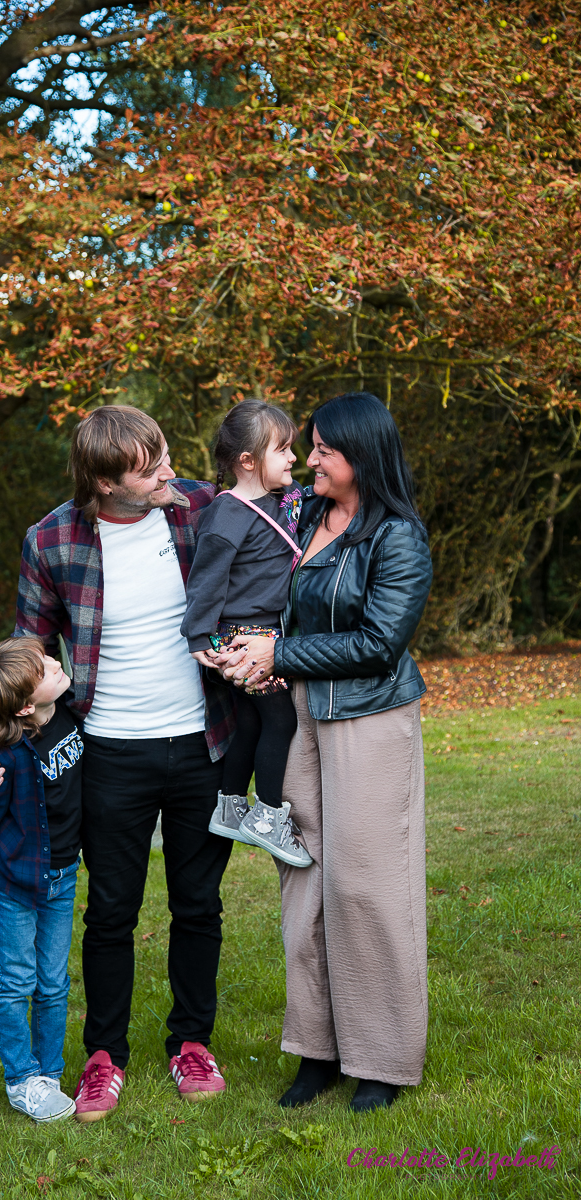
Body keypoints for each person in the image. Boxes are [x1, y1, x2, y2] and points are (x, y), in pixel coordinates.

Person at [0, 405, 236, 1122]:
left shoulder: (203, 509)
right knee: (112, 909)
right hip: (109, 752)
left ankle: (191, 1043)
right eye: (151, 469)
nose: (169, 474)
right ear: (105, 481)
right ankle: (103, 1055)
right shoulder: (51, 540)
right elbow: (22, 664)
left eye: (166, 456)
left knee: (198, 903)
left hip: (204, 742)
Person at [219, 391, 432, 1114]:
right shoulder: (308, 515)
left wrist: (283, 651)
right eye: (308, 448)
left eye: (322, 451)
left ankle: (384, 1058)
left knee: (366, 888)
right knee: (303, 882)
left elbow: (378, 645)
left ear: (359, 459)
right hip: (301, 718)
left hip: (370, 722)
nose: (309, 459)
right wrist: (266, 659)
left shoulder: (398, 538)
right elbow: (293, 611)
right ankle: (318, 1052)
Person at [0, 637, 83, 1123]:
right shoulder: (7, 759)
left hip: (62, 880)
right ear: (28, 704)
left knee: (53, 981)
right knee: (16, 981)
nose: (57, 663)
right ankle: (20, 1080)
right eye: (48, 668)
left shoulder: (69, 710)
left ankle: (48, 1073)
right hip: (11, 886)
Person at [181, 398, 310, 867]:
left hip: (262, 632)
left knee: (253, 723)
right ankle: (269, 817)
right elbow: (206, 581)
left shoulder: (285, 500)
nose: (294, 458)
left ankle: (230, 806)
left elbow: (306, 503)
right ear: (248, 461)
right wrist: (198, 640)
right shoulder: (227, 515)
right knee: (281, 721)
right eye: (283, 449)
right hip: (241, 640)